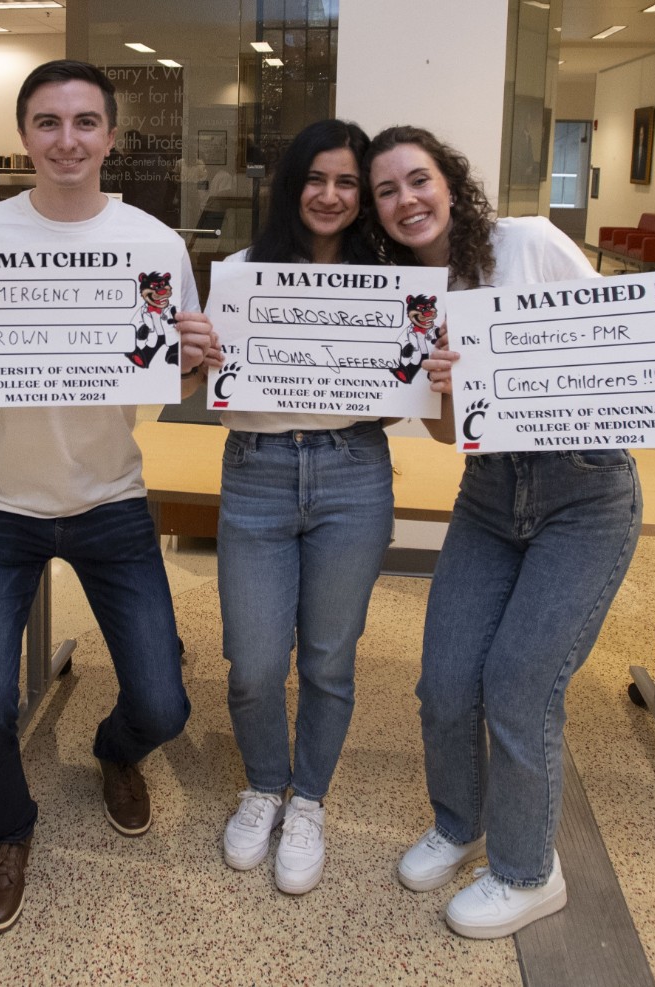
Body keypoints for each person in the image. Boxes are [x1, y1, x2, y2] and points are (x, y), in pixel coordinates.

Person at [361, 125, 655, 939]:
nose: (406, 200)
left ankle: (527, 871)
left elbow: (617, 332)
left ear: (450, 182)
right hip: (489, 494)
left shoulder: (529, 242)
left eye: (418, 179)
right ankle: (459, 820)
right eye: (387, 191)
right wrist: (440, 385)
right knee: (443, 682)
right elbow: (446, 436)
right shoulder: (405, 293)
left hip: (585, 494)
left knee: (518, 683)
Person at [0, 59, 221, 934]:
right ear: (25, 136)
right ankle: (9, 829)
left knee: (164, 702)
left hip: (111, 499)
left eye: (84, 123)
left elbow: (176, 377)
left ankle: (115, 753)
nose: (66, 140)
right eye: (47, 122)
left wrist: (196, 358)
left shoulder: (154, 245)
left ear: (110, 137)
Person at [216, 120, 393, 895]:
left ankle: (309, 798)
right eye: (315, 178)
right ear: (291, 185)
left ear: (361, 197)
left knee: (328, 657)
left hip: (353, 473)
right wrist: (198, 356)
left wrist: (423, 365)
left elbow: (395, 402)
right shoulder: (235, 274)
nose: (329, 195)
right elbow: (212, 396)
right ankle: (263, 783)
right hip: (255, 472)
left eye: (347, 182)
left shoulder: (391, 284)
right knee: (254, 664)